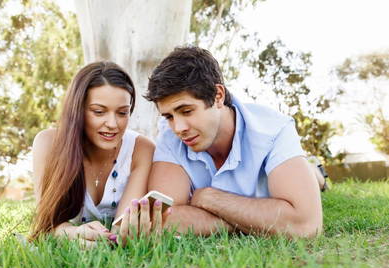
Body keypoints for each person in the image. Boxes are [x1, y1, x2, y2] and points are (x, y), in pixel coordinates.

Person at [145, 46, 324, 238]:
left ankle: (315, 171)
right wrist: (251, 221)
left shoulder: (274, 129)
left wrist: (209, 198)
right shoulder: (170, 136)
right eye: (169, 116)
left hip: (287, 163)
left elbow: (306, 225)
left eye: (187, 111)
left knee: (313, 177)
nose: (178, 127)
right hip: (260, 202)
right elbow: (162, 219)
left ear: (218, 96)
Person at [31, 61, 168, 247]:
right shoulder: (48, 144)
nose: (112, 123)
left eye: (122, 113)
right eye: (98, 111)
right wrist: (70, 233)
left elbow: (122, 228)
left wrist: (124, 235)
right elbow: (45, 223)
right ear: (77, 110)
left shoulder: (141, 149)